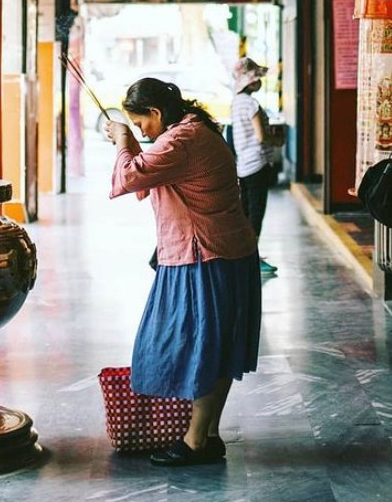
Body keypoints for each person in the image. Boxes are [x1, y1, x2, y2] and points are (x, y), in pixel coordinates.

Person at [106, 77, 261, 467]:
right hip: (225, 253)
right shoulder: (193, 130)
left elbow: (130, 177)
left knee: (202, 348)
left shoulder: (181, 140)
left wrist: (124, 141)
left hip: (204, 257)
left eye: (141, 122)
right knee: (218, 348)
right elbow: (149, 175)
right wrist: (132, 142)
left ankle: (195, 440)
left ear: (156, 112)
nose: (142, 130)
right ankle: (207, 434)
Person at [231, 57, 280, 275]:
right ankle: (252, 258)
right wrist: (277, 140)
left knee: (246, 211)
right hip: (258, 164)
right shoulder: (252, 104)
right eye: (257, 78)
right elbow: (261, 136)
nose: (259, 82)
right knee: (256, 213)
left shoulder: (236, 102)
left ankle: (244, 254)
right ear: (251, 82)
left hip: (243, 164)